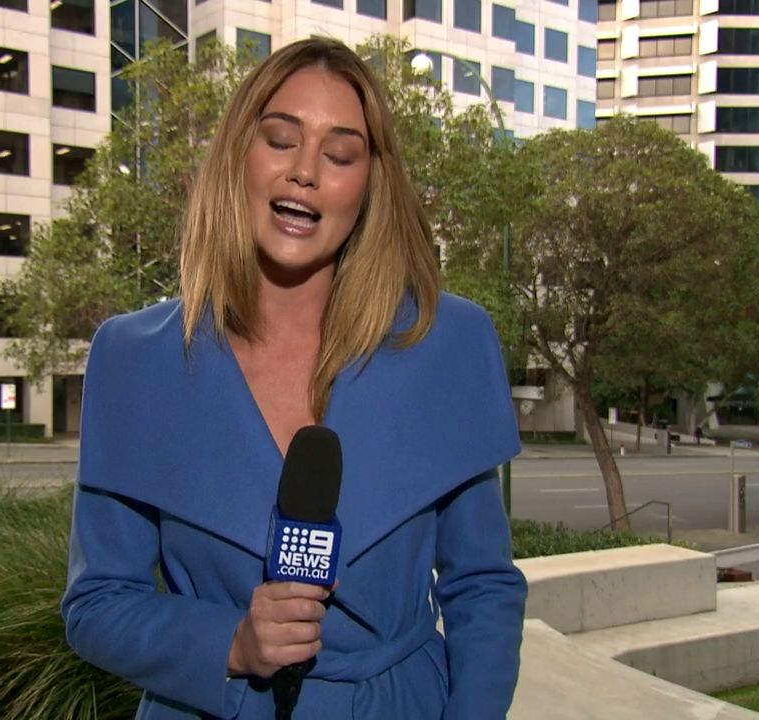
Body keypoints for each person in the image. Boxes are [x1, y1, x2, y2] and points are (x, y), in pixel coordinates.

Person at [61, 39, 527, 719]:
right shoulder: (134, 360)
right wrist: (230, 643)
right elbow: (97, 604)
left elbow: (482, 586)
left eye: (340, 155)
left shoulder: (445, 343)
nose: (304, 171)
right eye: (280, 140)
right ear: (238, 156)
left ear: (369, 185)